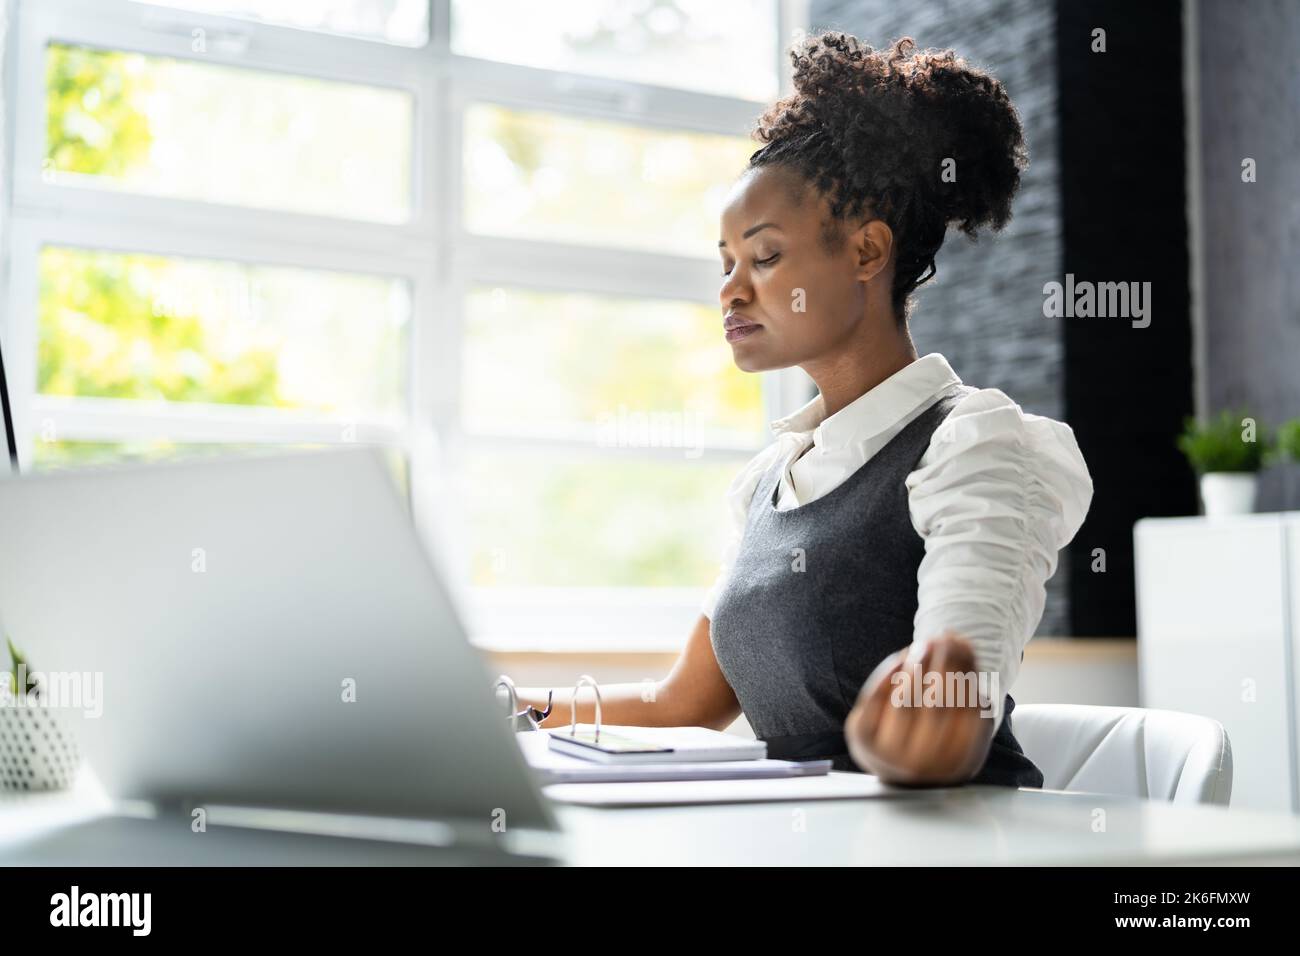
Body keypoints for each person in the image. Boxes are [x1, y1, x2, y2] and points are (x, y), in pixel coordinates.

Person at [518, 31, 1092, 787]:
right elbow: (679, 704)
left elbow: (955, 702)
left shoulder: (975, 445)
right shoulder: (769, 481)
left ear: (864, 252)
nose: (730, 289)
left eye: (762, 258)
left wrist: (925, 719)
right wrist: (496, 711)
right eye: (725, 264)